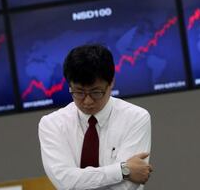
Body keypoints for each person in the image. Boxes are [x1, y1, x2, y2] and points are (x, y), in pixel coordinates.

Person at [38, 44, 152, 189]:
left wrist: (123, 175)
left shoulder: (136, 118)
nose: (87, 101)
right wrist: (123, 170)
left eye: (96, 92)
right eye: (79, 92)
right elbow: (66, 182)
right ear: (69, 86)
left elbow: (127, 186)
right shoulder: (51, 124)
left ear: (111, 83)